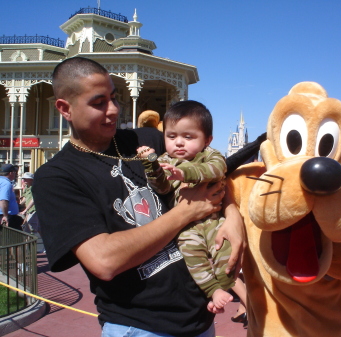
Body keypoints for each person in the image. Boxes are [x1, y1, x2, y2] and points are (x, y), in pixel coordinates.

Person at [32, 57, 245, 337]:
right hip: (140, 327)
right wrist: (185, 213)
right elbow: (103, 261)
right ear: (65, 108)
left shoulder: (145, 140)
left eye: (114, 98)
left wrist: (232, 216)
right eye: (98, 103)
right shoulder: (56, 177)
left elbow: (209, 170)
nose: (113, 110)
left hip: (200, 321)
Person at [136, 100, 243, 312]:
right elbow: (163, 188)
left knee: (226, 254)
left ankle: (223, 287)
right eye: (171, 136)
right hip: (186, 228)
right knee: (193, 257)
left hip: (214, 221)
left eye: (188, 137)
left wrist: (185, 173)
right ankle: (213, 291)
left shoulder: (210, 155)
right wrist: (151, 165)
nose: (179, 143)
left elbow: (216, 169)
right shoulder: (165, 160)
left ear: (207, 140)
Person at [0, 164, 23, 230]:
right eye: (15, 172)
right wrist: (5, 216)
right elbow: (3, 200)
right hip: (6, 216)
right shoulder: (6, 183)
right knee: (15, 238)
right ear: (11, 173)